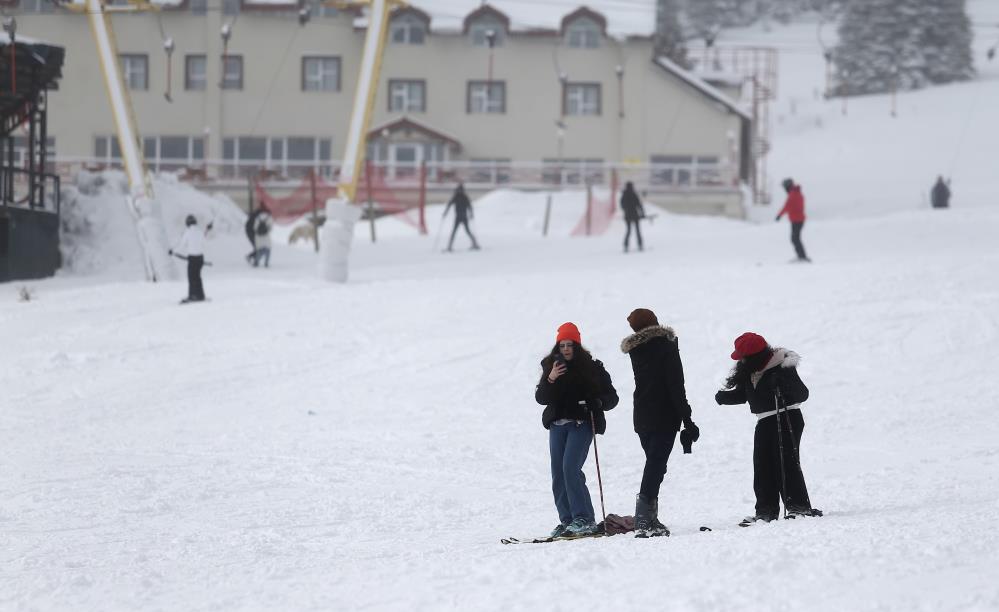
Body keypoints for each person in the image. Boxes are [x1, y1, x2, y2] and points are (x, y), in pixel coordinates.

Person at [714, 332, 822, 526]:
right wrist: (724, 397)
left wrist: (782, 384)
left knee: (785, 462)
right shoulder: (751, 370)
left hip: (787, 416)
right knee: (762, 466)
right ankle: (765, 511)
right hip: (764, 420)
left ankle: (799, 506)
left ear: (754, 356)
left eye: (743, 357)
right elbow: (745, 395)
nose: (741, 360)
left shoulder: (782, 366)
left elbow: (802, 394)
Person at [620, 308, 698, 538]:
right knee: (656, 464)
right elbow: (676, 385)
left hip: (641, 415)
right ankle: (645, 520)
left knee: (655, 464)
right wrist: (687, 419)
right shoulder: (666, 347)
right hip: (664, 415)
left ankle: (649, 518)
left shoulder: (636, 350)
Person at [535, 322, 619, 537]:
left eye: (569, 345)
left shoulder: (592, 368)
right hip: (557, 425)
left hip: (581, 424)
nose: (565, 349)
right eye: (562, 345)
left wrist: (598, 403)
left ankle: (584, 518)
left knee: (570, 468)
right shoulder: (550, 366)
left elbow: (612, 397)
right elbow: (541, 398)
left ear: (577, 346)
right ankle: (567, 520)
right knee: (558, 474)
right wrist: (551, 378)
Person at [169, 214, 212, 303]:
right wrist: (207, 230)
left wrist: (173, 251)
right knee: (198, 277)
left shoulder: (188, 232)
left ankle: (192, 296)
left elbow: (181, 245)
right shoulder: (200, 232)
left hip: (192, 258)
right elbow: (204, 242)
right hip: (200, 258)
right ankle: (200, 295)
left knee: (192, 278)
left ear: (187, 223)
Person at [776, 178, 810, 263]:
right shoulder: (797, 193)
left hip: (797, 220)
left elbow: (786, 206)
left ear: (788, 186)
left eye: (784, 187)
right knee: (795, 238)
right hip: (798, 219)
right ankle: (801, 256)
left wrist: (779, 215)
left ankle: (802, 257)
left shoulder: (793, 195)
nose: (784, 189)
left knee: (795, 238)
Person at [443, 183, 480, 252]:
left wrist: (471, 214)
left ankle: (474, 243)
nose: (459, 191)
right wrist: (445, 212)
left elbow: (469, 206)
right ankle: (450, 246)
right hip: (460, 217)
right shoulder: (459, 197)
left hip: (463, 217)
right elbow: (450, 204)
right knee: (458, 231)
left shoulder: (461, 197)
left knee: (465, 231)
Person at [620, 181, 646, 253]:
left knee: (628, 231)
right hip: (635, 215)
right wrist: (642, 213)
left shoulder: (624, 195)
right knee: (637, 231)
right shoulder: (634, 194)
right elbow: (639, 205)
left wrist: (626, 210)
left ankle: (626, 246)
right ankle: (640, 245)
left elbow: (622, 205)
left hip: (627, 216)